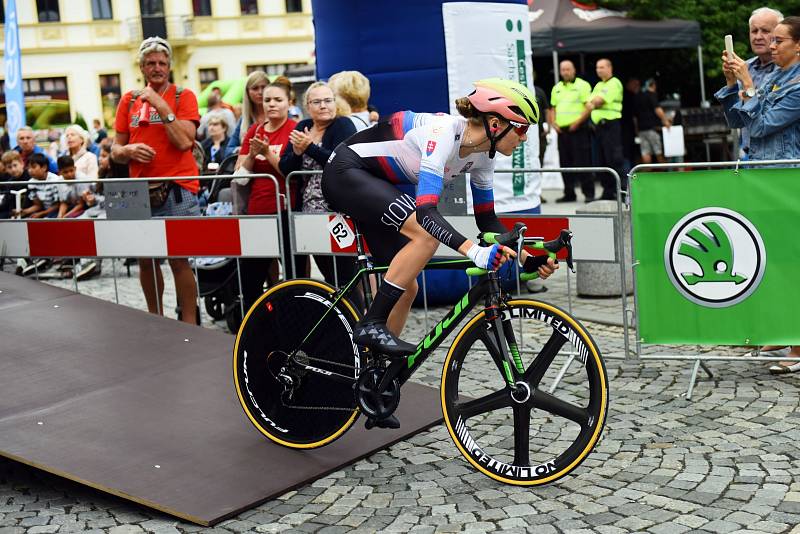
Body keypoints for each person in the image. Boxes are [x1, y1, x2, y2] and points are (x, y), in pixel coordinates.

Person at [321, 78, 558, 377]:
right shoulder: (442, 134)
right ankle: (372, 324)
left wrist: (528, 257)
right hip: (345, 171)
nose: (524, 138)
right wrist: (474, 251)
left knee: (408, 287)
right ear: (495, 124)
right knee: (425, 237)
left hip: (374, 181)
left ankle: (374, 375)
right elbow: (426, 212)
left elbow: (487, 221)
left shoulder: (485, 155)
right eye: (522, 128)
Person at [717, 15, 800, 373]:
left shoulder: (796, 82)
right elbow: (740, 121)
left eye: (779, 39)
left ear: (798, 45)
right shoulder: (776, 75)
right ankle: (783, 330)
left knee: (792, 260)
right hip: (760, 176)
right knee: (773, 258)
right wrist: (733, 82)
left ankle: (797, 345)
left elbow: (763, 124)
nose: (772, 44)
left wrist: (748, 85)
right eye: (769, 37)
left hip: (784, 179)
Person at [111, 36, 201, 324]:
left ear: (170, 66)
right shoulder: (129, 100)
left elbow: (185, 141)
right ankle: (155, 321)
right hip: (140, 190)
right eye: (151, 63)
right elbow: (115, 150)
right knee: (145, 260)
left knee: (179, 259)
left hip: (179, 188)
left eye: (162, 62)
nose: (157, 67)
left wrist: (160, 104)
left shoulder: (182, 96)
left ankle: (188, 322)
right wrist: (127, 150)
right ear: (141, 67)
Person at [279, 81, 357, 284]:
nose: (323, 105)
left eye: (328, 100)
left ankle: (357, 314)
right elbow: (285, 167)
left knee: (345, 274)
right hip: (307, 209)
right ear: (307, 106)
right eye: (317, 101)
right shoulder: (302, 127)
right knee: (327, 273)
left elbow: (342, 162)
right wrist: (297, 153)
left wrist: (310, 147)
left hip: (336, 210)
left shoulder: (343, 124)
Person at [235, 76, 302, 309]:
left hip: (287, 210)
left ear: (289, 102)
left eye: (277, 99)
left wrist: (268, 153)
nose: (272, 104)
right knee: (252, 275)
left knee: (294, 274)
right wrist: (254, 154)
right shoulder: (255, 130)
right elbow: (240, 176)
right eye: (267, 100)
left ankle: (296, 317)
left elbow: (292, 170)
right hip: (257, 211)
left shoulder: (296, 129)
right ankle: (257, 322)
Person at [722, 7, 784, 157]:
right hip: (749, 156)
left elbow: (766, 122)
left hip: (780, 160)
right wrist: (731, 83)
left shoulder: (790, 70)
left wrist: (748, 84)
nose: (758, 36)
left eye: (765, 31)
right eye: (754, 31)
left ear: (780, 35)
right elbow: (736, 121)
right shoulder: (745, 67)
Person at [579, 58, 625, 200]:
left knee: (614, 159)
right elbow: (588, 103)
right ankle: (608, 191)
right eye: (597, 67)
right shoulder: (599, 85)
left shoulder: (614, 83)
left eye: (602, 67)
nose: (599, 70)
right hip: (599, 128)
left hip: (611, 125)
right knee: (602, 160)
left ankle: (622, 191)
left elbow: (598, 101)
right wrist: (593, 103)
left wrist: (593, 103)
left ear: (609, 68)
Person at [549, 60, 594, 203]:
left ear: (574, 70)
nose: (565, 72)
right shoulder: (556, 88)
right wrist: (553, 123)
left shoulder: (582, 85)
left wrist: (577, 123)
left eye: (568, 69)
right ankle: (569, 193)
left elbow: (589, 107)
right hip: (562, 132)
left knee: (583, 162)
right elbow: (553, 108)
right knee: (565, 163)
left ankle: (589, 193)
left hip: (578, 129)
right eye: (563, 70)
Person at [225, 71, 268, 158]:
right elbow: (228, 150)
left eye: (263, 87)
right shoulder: (244, 119)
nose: (260, 92)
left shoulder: (280, 115)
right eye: (255, 88)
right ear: (247, 92)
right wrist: (244, 149)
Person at [15, 153, 65, 219]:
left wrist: (41, 214)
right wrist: (25, 211)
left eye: (33, 167)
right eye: (28, 168)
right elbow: (38, 205)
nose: (30, 170)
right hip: (43, 211)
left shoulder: (55, 180)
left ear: (44, 167)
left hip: (56, 211)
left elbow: (58, 205)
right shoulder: (31, 183)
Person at [634, 78, 672, 165]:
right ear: (653, 85)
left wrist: (636, 129)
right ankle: (664, 174)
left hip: (641, 129)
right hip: (652, 128)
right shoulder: (651, 94)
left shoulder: (637, 96)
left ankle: (647, 174)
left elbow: (634, 117)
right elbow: (657, 109)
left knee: (645, 153)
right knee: (658, 151)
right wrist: (665, 121)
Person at [0, 151, 30, 219]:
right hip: (14, 214)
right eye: (9, 167)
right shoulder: (9, 183)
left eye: (15, 165)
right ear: (6, 169)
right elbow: (6, 204)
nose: (13, 169)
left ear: (22, 163)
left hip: (28, 212)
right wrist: (11, 212)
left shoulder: (31, 178)